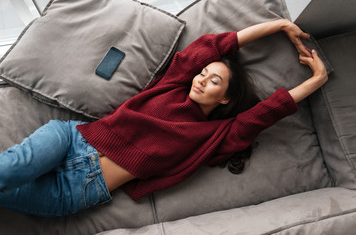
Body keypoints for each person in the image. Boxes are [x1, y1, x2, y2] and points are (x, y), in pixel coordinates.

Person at [0, 19, 327, 217]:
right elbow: (211, 46)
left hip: (78, 189)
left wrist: (316, 80)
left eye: (214, 80)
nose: (201, 78)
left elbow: (265, 114)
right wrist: (281, 25)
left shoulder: (216, 136)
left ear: (226, 97)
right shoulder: (172, 87)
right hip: (70, 139)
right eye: (203, 73)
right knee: (7, 170)